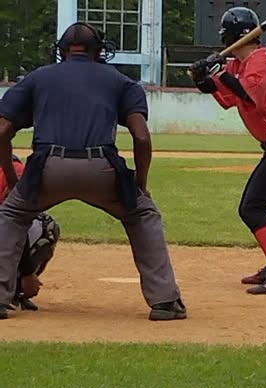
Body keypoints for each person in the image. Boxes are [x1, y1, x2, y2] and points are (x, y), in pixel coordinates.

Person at [0, 21, 186, 322]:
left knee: (11, 215)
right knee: (143, 215)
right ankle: (165, 301)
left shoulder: (38, 77)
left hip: (47, 166)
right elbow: (141, 136)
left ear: (62, 52)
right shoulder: (119, 80)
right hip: (101, 166)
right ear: (99, 51)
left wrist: (11, 177)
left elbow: (2, 131)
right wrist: (139, 184)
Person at [189, 7, 266, 295]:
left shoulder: (261, 63)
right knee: (252, 207)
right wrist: (203, 79)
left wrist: (219, 71)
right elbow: (226, 98)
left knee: (252, 208)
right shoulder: (239, 65)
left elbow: (248, 95)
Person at [0, 154, 60, 311]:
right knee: (46, 225)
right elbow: (14, 225)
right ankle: (14, 289)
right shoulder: (15, 169)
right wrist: (28, 273)